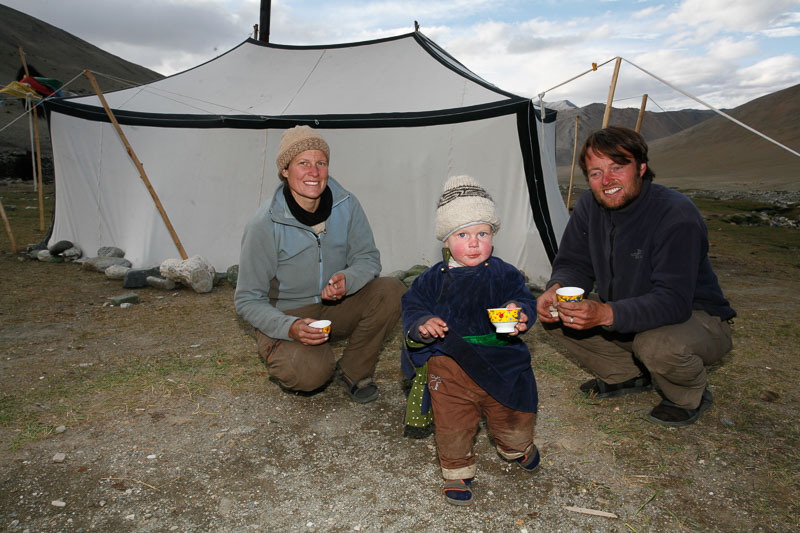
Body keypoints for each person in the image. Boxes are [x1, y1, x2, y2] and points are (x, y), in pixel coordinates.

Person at [535, 126, 736, 427]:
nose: (607, 181)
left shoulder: (675, 215)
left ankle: (687, 395)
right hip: (629, 317)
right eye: (595, 173)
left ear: (641, 167)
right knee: (559, 315)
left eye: (617, 167)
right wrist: (558, 288)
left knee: (656, 345)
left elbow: (673, 301)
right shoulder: (589, 206)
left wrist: (605, 313)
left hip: (696, 319)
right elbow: (575, 263)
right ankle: (628, 375)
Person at [235, 125, 406, 403]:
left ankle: (354, 371)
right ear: (285, 171)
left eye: (320, 163)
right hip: (289, 313)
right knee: (310, 374)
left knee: (392, 290)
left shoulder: (346, 205)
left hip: (335, 305)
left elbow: (368, 258)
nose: (313, 172)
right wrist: (288, 326)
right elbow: (247, 300)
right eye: (303, 163)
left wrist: (347, 280)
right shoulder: (265, 223)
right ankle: (291, 351)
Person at [401, 175, 540, 506]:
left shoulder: (505, 274)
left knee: (514, 417)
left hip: (502, 364)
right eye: (463, 234)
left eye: (482, 233)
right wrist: (423, 323)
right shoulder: (431, 279)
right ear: (447, 241)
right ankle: (457, 469)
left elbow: (525, 300)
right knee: (453, 427)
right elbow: (412, 307)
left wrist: (519, 311)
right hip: (450, 367)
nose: (474, 242)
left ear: (493, 235)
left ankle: (514, 446)